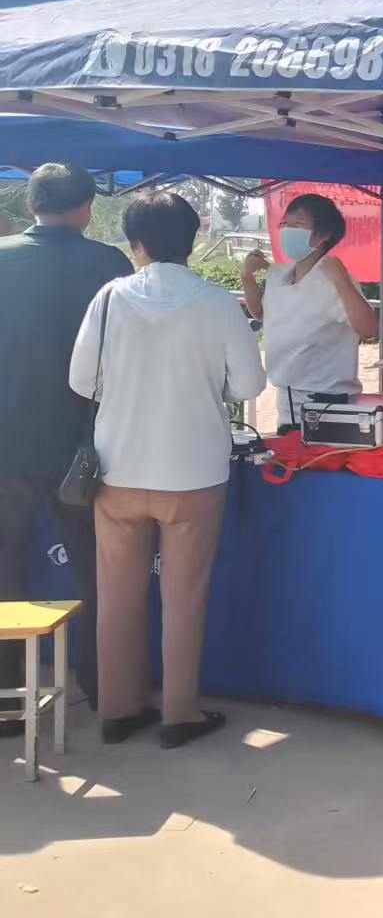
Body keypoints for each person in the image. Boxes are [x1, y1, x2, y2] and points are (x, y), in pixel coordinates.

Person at [68, 190, 267, 750]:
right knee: (184, 596)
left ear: (135, 244)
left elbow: (81, 381)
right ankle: (180, 714)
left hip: (117, 469)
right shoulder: (217, 303)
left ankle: (118, 709)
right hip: (193, 471)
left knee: (117, 594)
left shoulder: (109, 298)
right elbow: (249, 385)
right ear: (193, 241)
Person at [0, 164, 131, 722]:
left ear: (31, 205)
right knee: (96, 568)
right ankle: (107, 694)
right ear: (86, 209)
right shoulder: (109, 265)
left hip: (6, 444)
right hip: (86, 446)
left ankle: (7, 699)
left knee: (4, 568)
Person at [239, 193, 379, 431]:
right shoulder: (279, 275)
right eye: (285, 224)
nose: (287, 231)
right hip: (287, 403)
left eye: (298, 225)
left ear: (323, 234)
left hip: (330, 404)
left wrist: (341, 279)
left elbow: (369, 329)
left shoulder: (334, 279)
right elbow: (262, 315)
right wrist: (247, 277)